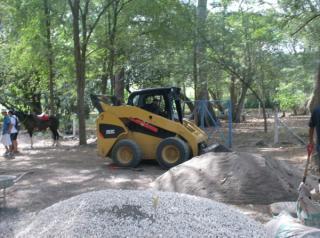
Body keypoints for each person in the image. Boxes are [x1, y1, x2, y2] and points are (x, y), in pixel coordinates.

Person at [309, 106, 320, 171]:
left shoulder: (316, 110)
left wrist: (311, 141)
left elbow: (311, 127)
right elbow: (311, 127)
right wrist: (311, 141)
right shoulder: (316, 111)